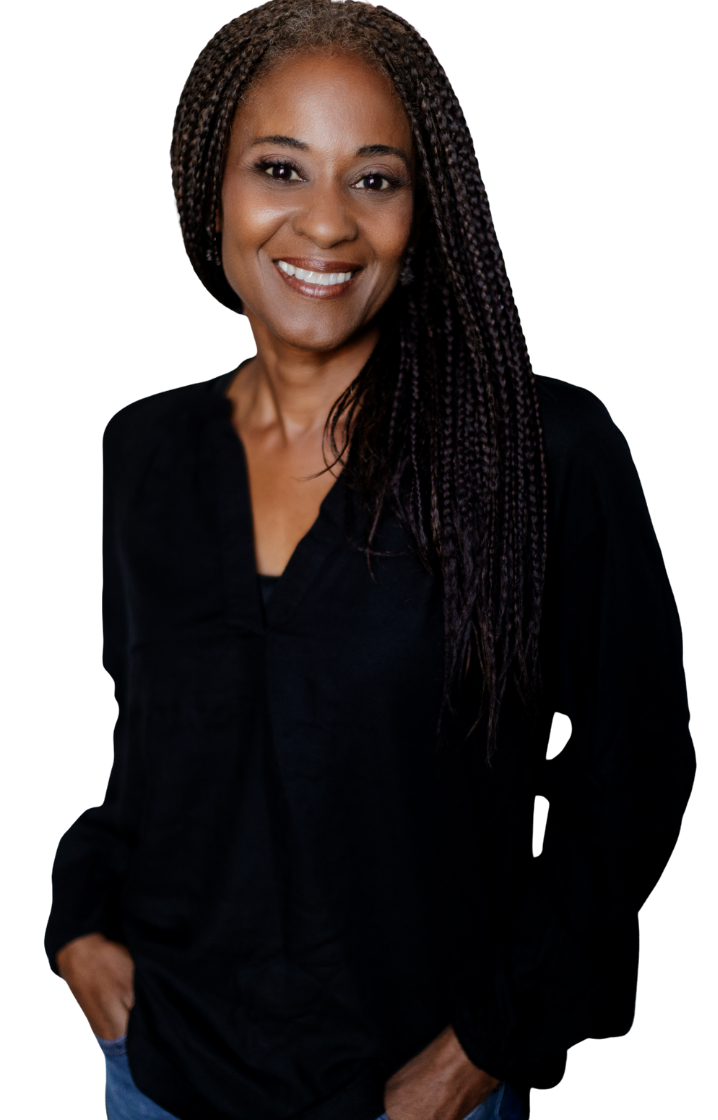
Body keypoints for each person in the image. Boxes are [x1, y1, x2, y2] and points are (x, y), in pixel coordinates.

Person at [44, 3, 696, 1120]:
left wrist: (475, 1053)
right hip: (157, 1079)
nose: (326, 222)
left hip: (407, 1096)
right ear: (211, 191)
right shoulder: (141, 448)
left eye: (376, 179)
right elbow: (128, 736)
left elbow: (628, 782)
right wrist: (80, 927)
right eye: (280, 168)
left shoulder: (540, 452)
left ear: (421, 215)